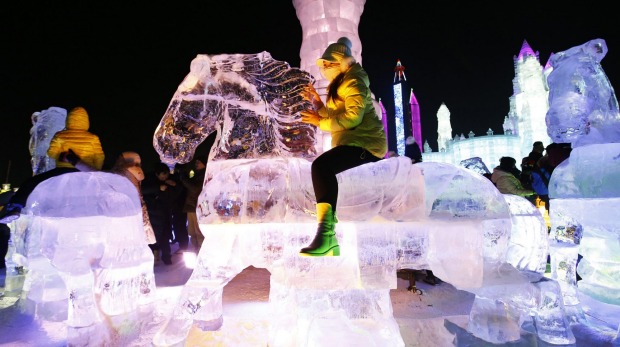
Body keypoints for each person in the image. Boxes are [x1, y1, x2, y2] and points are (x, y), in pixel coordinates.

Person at [298, 37, 387, 257]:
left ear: (342, 62)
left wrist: (319, 122)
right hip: (353, 143)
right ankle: (328, 240)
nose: (325, 68)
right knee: (322, 166)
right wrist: (318, 104)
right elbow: (337, 113)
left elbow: (352, 119)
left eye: (329, 63)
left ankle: (326, 236)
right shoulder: (342, 82)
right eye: (324, 64)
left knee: (321, 166)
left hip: (366, 145)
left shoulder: (353, 82)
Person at [0, 106, 105, 224]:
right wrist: (95, 170)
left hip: (62, 170)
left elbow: (51, 153)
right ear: (86, 121)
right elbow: (99, 157)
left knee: (30, 183)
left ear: (69, 120)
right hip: (84, 172)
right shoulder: (93, 138)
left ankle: (15, 207)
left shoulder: (60, 135)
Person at [110, 151, 157, 245]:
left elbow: (97, 173)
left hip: (130, 208)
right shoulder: (134, 171)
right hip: (134, 208)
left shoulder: (121, 173)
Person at [142, 162, 179, 265]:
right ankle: (152, 257)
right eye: (163, 174)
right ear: (157, 174)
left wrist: (174, 185)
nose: (165, 176)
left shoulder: (170, 180)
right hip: (153, 213)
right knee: (153, 237)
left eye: (166, 174)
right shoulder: (149, 180)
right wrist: (158, 189)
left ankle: (167, 258)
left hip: (165, 213)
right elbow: (143, 191)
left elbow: (176, 193)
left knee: (165, 236)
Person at [179, 155, 207, 251]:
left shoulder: (205, 174)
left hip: (197, 206)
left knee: (198, 232)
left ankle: (200, 251)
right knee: (192, 231)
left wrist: (183, 177)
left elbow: (194, 188)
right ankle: (195, 250)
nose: (196, 164)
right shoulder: (198, 174)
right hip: (191, 206)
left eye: (199, 162)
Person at [169, 163, 189, 252]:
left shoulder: (182, 178)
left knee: (180, 225)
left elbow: (181, 190)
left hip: (180, 204)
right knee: (178, 224)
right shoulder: (181, 177)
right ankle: (179, 241)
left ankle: (183, 245)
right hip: (178, 204)